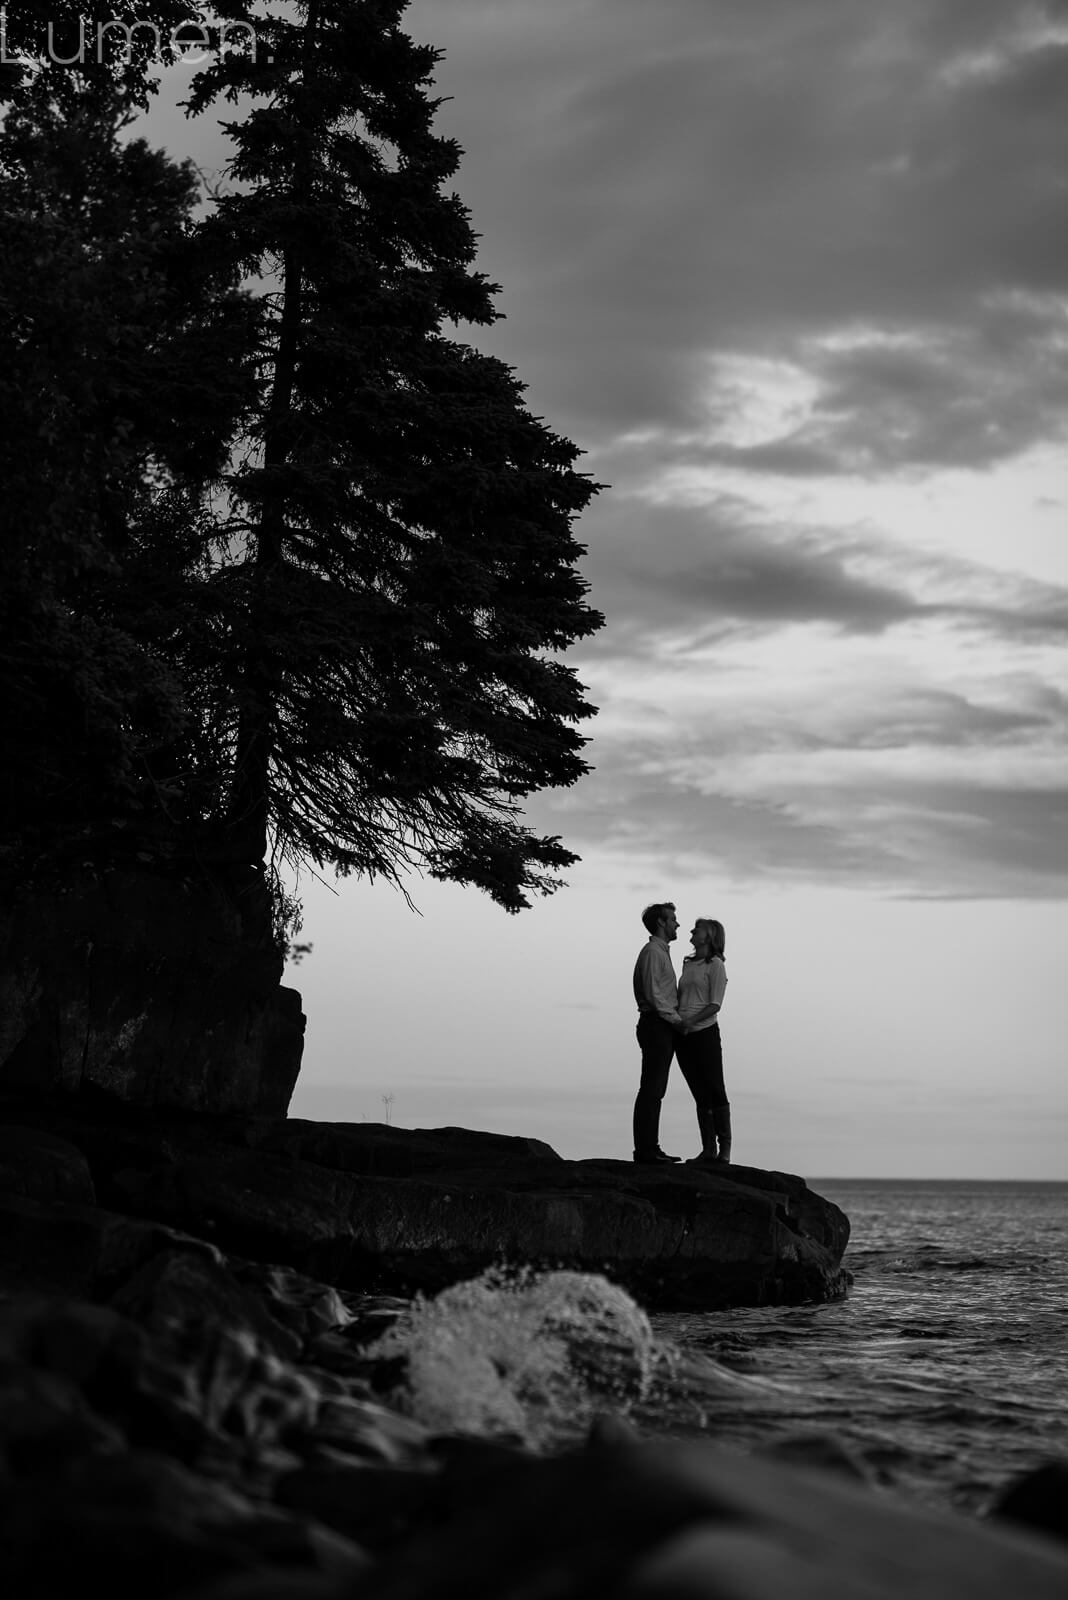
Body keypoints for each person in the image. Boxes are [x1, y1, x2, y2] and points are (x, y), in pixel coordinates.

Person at [631, 901, 685, 1164]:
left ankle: (650, 1147)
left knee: (655, 1088)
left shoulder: (660, 951)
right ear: (661, 922)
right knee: (651, 1088)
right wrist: (677, 1020)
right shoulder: (654, 951)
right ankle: (645, 1150)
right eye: (673, 919)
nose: (677, 924)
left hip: (660, 1023)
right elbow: (654, 995)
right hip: (656, 1024)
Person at [675, 918, 731, 1164]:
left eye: (696, 929)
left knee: (715, 1088)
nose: (691, 930)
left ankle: (724, 1149)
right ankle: (708, 1148)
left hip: (705, 1033)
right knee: (699, 1092)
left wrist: (691, 1021)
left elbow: (715, 1004)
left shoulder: (716, 965)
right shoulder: (688, 964)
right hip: (683, 1035)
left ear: (708, 936)